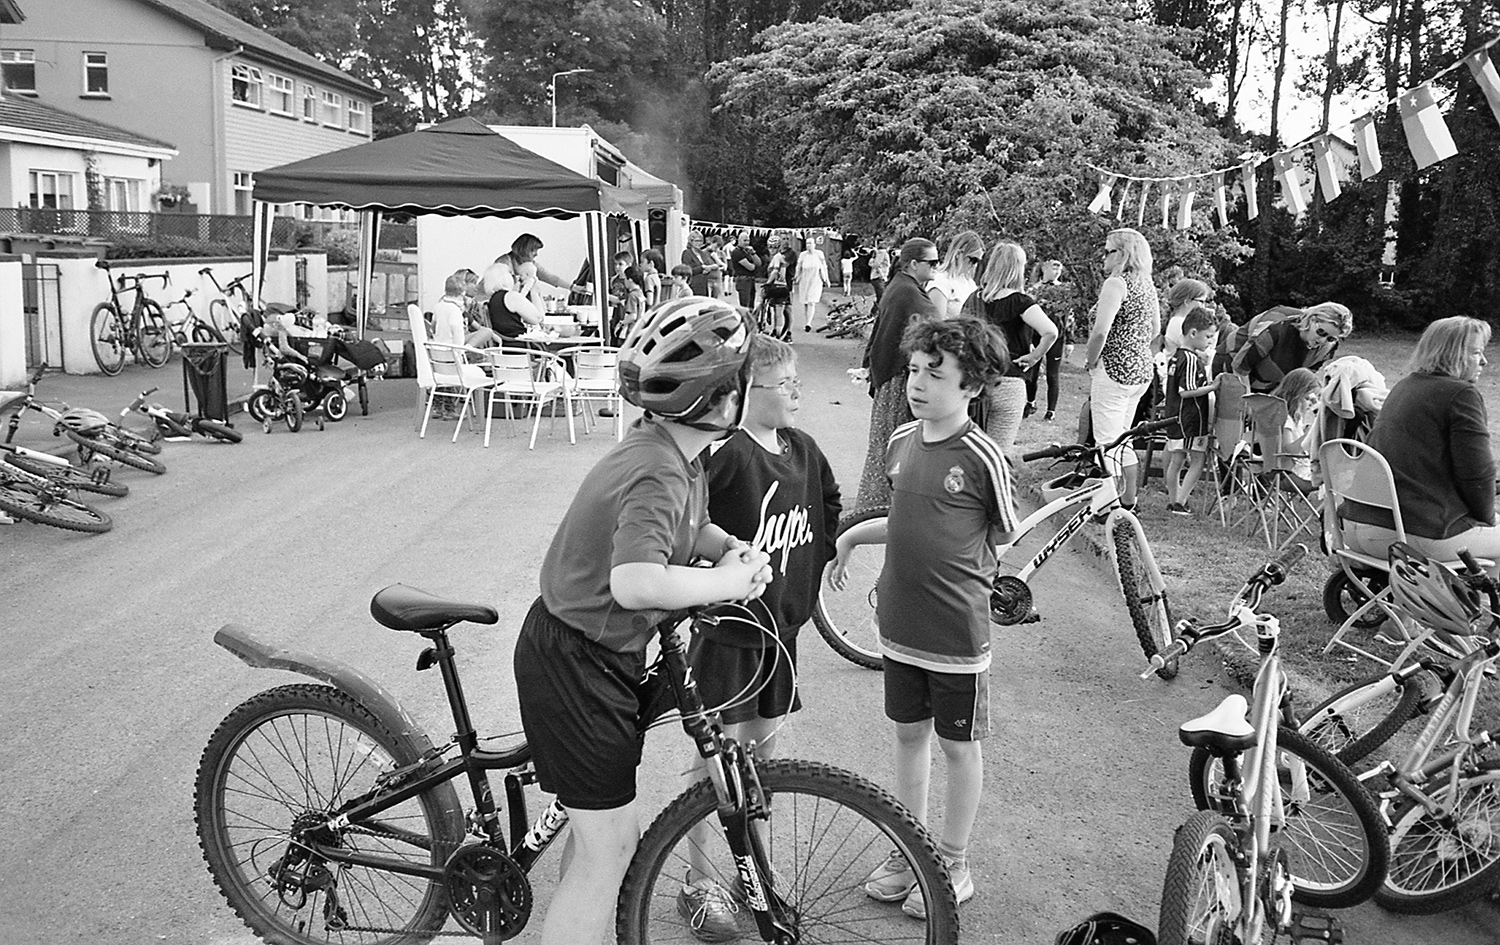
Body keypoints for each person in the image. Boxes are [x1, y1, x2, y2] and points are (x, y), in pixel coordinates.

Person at [512, 296, 773, 945]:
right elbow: (636, 582)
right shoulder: (660, 464)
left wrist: (722, 549)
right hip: (577, 660)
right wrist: (727, 581)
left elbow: (682, 528)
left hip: (596, 653)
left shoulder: (673, 451)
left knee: (599, 829)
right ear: (718, 398)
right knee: (611, 845)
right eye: (742, 378)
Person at [830, 316, 1018, 920]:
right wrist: (852, 539)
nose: (917, 382)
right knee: (909, 736)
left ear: (972, 385)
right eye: (914, 369)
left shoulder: (982, 456)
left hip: (956, 634)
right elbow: (907, 521)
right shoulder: (901, 442)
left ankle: (953, 861)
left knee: (959, 747)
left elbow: (1000, 535)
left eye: (935, 374)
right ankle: (908, 849)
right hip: (901, 627)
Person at [678, 333, 842, 937]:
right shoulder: (726, 455)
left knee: (760, 761)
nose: (797, 392)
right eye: (785, 384)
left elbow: (828, 500)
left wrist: (811, 569)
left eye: (799, 381)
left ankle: (758, 877)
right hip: (728, 635)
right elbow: (690, 522)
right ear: (747, 394)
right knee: (713, 760)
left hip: (781, 634)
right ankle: (698, 883)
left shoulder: (803, 448)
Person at [1341, 317, 1500, 563]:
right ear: (1453, 354)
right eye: (1476, 353)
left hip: (1356, 526)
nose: (1484, 361)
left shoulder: (1405, 386)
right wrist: (1486, 518)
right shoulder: (1461, 394)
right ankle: (1479, 601)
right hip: (1412, 535)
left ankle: (1470, 599)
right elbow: (1477, 472)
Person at [854, 238, 944, 511]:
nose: (936, 268)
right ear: (913, 263)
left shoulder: (899, 285)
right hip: (897, 378)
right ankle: (880, 508)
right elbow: (936, 330)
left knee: (884, 443)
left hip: (887, 375)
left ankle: (874, 505)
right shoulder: (910, 293)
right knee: (895, 445)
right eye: (932, 263)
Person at [1083, 227, 1159, 510]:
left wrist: (1091, 360)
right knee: (1123, 438)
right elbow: (1156, 330)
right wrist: (1133, 346)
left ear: (1123, 254)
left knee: (1106, 442)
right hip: (1140, 369)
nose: (1103, 257)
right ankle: (1129, 501)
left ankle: (1109, 505)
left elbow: (1100, 332)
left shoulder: (1116, 284)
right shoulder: (1147, 284)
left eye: (1108, 251)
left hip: (1113, 368)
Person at [972, 241, 1057, 449]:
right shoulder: (1021, 301)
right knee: (999, 454)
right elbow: (1051, 331)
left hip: (976, 381)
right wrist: (1034, 356)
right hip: (1009, 380)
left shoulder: (975, 298)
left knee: (971, 452)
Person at [1163, 304, 1220, 515]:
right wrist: (1212, 387)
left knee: (1176, 458)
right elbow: (1186, 391)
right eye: (1208, 336)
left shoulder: (1177, 356)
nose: (1210, 341)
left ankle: (1174, 500)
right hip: (1189, 419)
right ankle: (1179, 501)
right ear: (1193, 333)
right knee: (1197, 458)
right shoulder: (1188, 359)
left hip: (1175, 417)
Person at [1237, 301, 1353, 394]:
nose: (1323, 341)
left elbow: (1296, 382)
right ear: (1312, 320)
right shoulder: (1277, 329)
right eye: (1321, 332)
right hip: (1232, 368)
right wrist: (1248, 401)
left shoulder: (1327, 348)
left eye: (1330, 338)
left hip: (1269, 385)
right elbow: (1240, 367)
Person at [1024, 259, 1072, 421]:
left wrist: (1070, 340)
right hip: (1036, 336)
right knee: (1033, 371)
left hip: (1056, 337)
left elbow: (1069, 317)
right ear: (1044, 268)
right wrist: (1027, 339)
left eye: (1059, 268)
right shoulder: (1034, 289)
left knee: (1053, 374)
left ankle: (1051, 410)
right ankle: (1030, 402)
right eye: (1054, 267)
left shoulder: (1064, 290)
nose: (1057, 271)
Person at [1270, 367, 1320, 493]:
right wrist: (1309, 434)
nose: (1310, 403)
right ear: (1296, 394)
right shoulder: (1285, 419)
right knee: (1335, 479)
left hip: (1292, 470)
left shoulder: (1295, 418)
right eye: (1307, 399)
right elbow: (1288, 450)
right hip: (1290, 473)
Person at [929, 230, 984, 318]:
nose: (975, 265)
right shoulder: (940, 281)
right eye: (973, 260)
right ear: (958, 254)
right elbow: (936, 324)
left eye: (978, 261)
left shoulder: (970, 283)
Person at [793, 235, 830, 333]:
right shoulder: (803, 255)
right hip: (805, 280)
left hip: (816, 279)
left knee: (811, 302)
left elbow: (824, 266)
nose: (808, 245)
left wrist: (826, 279)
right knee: (805, 302)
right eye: (807, 243)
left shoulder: (819, 254)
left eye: (810, 243)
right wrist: (796, 277)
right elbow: (799, 266)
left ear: (814, 244)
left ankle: (808, 323)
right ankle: (807, 321)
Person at [762, 235, 796, 339]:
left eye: (774, 247)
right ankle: (778, 333)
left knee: (778, 313)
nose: (772, 249)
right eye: (770, 247)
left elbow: (775, 271)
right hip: (782, 286)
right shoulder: (781, 257)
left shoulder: (777, 257)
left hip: (777, 287)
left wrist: (767, 283)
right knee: (778, 312)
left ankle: (778, 334)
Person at [729, 231, 761, 309]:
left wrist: (753, 253)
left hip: (751, 280)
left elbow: (759, 263)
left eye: (748, 240)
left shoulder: (747, 251)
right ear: (739, 241)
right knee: (745, 306)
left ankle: (750, 320)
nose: (747, 243)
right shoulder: (736, 252)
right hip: (743, 280)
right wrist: (754, 265)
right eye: (744, 240)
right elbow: (750, 267)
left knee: (751, 305)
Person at [681, 230, 717, 296]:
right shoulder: (687, 253)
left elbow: (708, 265)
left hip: (703, 285)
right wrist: (701, 268)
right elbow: (687, 270)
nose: (699, 243)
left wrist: (708, 269)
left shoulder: (702, 253)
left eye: (700, 241)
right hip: (692, 285)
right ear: (691, 241)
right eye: (696, 241)